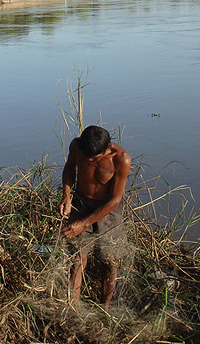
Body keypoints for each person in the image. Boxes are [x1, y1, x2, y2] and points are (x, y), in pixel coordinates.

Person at [59, 125, 131, 307]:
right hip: (81, 203)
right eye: (87, 156)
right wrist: (66, 196)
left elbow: (115, 199)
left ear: (107, 149)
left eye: (95, 157)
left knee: (109, 260)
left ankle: (105, 306)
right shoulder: (77, 146)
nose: (89, 159)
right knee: (77, 258)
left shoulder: (121, 159)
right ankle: (73, 307)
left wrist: (83, 225)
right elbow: (69, 170)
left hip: (108, 211)